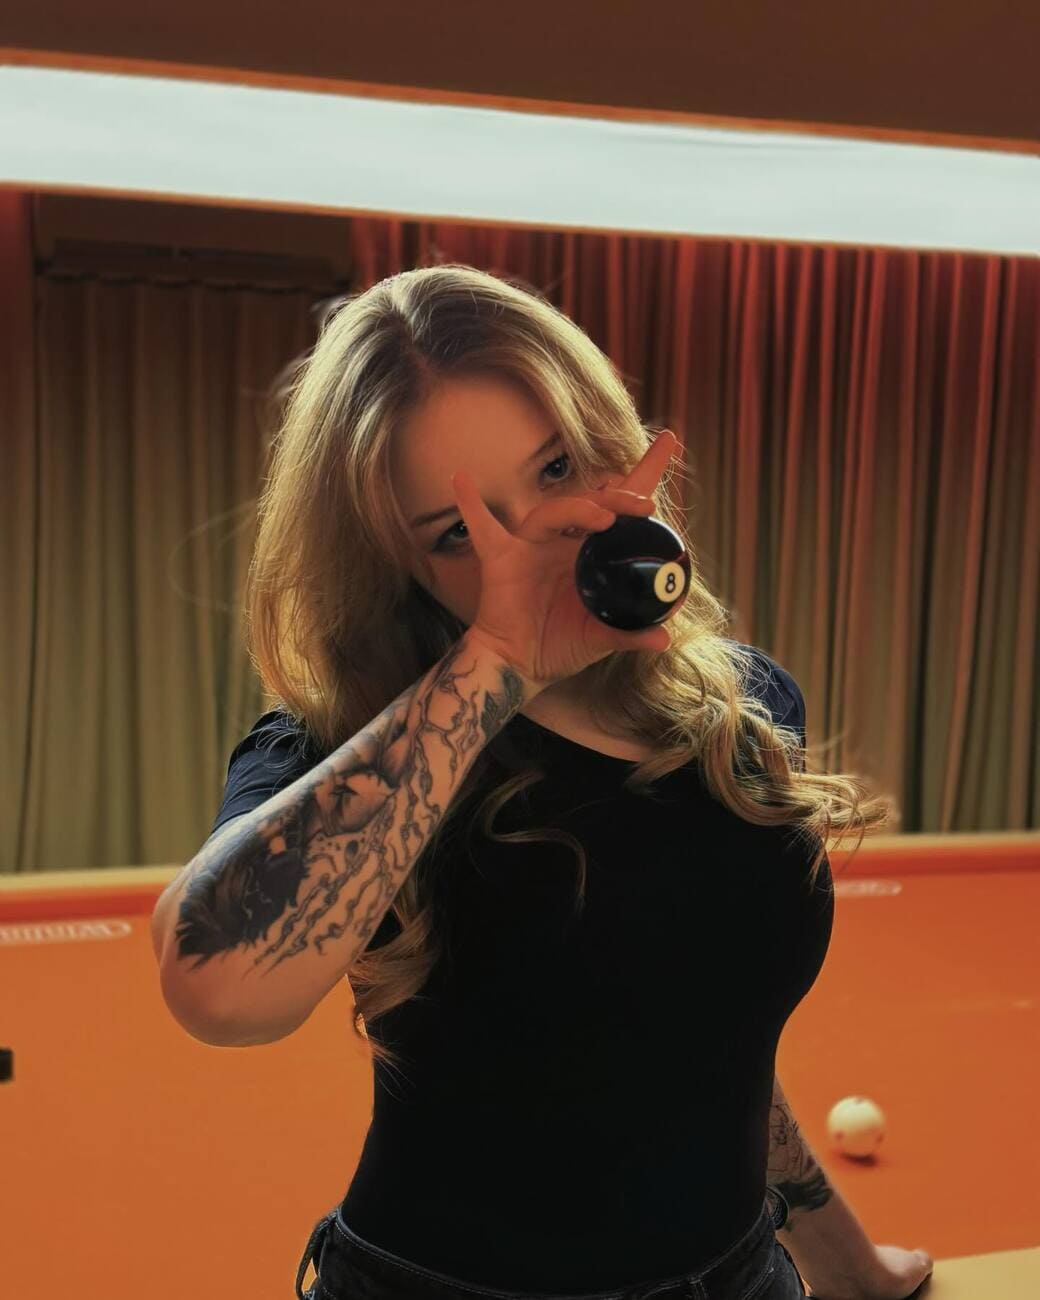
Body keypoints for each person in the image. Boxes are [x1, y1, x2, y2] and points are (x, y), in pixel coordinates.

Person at [151, 264, 934, 1300]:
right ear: (400, 570)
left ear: (611, 440)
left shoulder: (739, 709)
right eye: (458, 533)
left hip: (742, 1276)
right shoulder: (351, 751)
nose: (540, 547)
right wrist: (498, 662)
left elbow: (711, 1048)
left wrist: (848, 1267)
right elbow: (216, 990)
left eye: (556, 465)